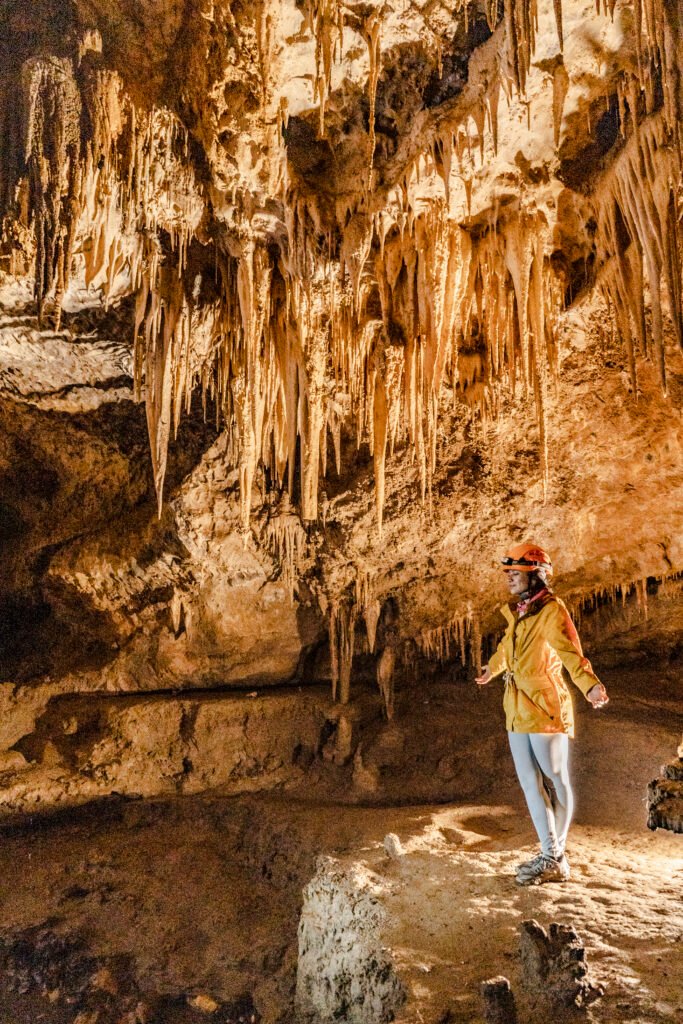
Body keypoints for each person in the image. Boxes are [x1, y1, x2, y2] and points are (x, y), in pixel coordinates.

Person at [475, 543, 609, 886]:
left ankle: (555, 855)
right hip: (517, 704)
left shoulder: (551, 611)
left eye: (515, 574)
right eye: (508, 574)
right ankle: (551, 854)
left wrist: (590, 685)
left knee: (556, 776)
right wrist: (492, 669)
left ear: (535, 576)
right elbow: (509, 647)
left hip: (546, 702)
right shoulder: (522, 612)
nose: (509, 580)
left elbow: (569, 651)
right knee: (530, 784)